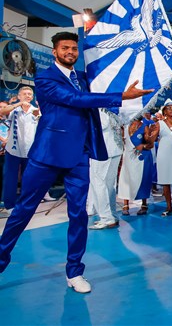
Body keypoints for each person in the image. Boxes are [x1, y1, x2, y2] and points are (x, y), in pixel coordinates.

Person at [0, 31, 151, 293]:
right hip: (47, 155)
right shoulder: (45, 77)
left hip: (79, 156)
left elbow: (101, 82)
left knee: (78, 214)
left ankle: (74, 271)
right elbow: (75, 100)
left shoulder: (82, 78)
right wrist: (120, 96)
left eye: (74, 48)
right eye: (65, 48)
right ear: (55, 50)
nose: (70, 52)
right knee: (24, 211)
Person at [0, 87, 40, 216]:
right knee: (10, 179)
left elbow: (40, 117)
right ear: (19, 95)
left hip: (29, 151)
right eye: (25, 94)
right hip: (13, 150)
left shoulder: (34, 111)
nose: (28, 96)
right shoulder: (14, 110)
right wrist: (18, 103)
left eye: (30, 94)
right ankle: (9, 205)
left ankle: (26, 205)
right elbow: (4, 111)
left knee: (29, 179)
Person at [87, 109, 123, 229]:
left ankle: (106, 218)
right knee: (109, 185)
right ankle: (112, 216)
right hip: (115, 148)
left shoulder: (99, 108)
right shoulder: (113, 108)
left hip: (103, 149)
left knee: (98, 183)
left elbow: (101, 125)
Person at [118, 115, 158, 216]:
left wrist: (144, 144)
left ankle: (144, 204)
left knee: (143, 179)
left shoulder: (145, 126)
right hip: (128, 156)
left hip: (142, 157)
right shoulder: (124, 126)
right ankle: (125, 205)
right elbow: (121, 142)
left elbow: (150, 144)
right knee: (125, 179)